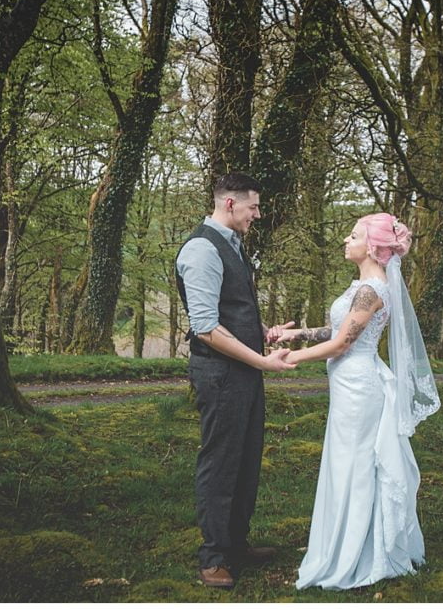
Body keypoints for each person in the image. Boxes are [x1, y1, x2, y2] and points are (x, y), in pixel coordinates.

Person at [270, 212, 440, 590]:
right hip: (350, 384)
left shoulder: (371, 289)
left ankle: (356, 551)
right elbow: (338, 329)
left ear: (372, 247)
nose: (345, 241)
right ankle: (347, 540)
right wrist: (294, 335)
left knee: (356, 466)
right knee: (346, 463)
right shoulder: (364, 286)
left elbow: (343, 343)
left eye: (352, 236)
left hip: (359, 387)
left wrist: (290, 359)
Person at [175, 172, 296, 590]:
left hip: (242, 369)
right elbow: (207, 328)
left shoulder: (233, 246)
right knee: (221, 462)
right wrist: (262, 362)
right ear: (230, 204)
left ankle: (236, 545)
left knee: (246, 460)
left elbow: (230, 311)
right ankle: (212, 557)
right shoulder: (202, 250)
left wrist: (259, 332)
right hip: (220, 374)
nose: (257, 215)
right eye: (253, 207)